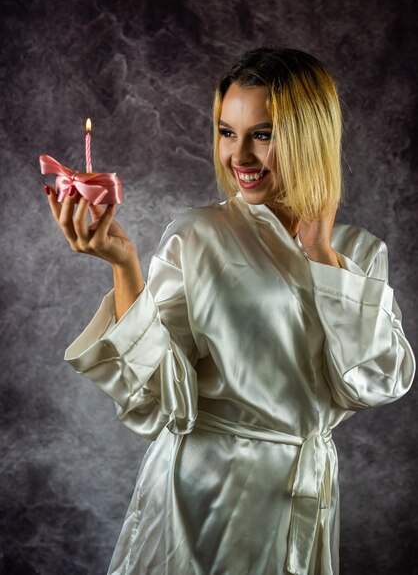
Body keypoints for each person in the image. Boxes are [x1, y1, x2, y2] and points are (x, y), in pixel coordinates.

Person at [44, 47, 415, 575]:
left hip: (301, 495)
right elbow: (158, 400)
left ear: (309, 137)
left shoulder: (359, 254)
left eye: (261, 134)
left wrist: (321, 255)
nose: (238, 156)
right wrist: (124, 266)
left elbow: (377, 381)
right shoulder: (198, 236)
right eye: (226, 131)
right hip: (204, 498)